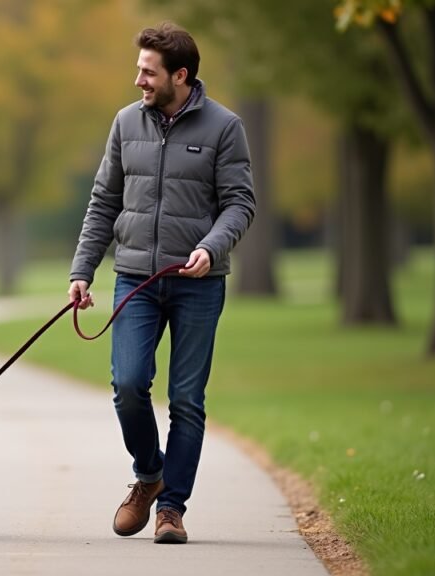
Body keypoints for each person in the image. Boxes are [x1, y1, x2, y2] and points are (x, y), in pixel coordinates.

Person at [68, 22, 255, 544]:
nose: (138, 81)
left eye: (148, 72)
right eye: (138, 70)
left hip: (198, 281)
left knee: (187, 400)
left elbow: (240, 203)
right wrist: (82, 272)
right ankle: (149, 476)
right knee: (128, 385)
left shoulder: (225, 127)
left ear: (181, 75)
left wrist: (210, 247)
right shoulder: (126, 124)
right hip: (135, 278)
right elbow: (103, 201)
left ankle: (171, 508)